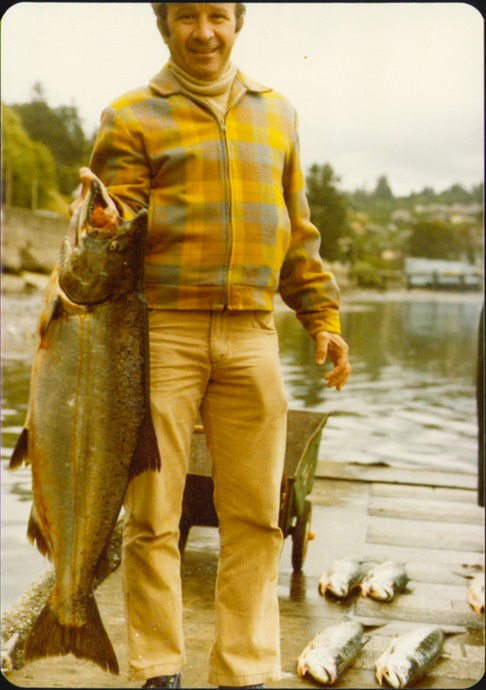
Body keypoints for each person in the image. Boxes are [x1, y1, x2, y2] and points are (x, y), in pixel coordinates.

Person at [73, 4, 351, 688]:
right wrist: (107, 218)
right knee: (153, 511)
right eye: (188, 16)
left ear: (238, 22)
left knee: (257, 514)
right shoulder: (130, 114)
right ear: (165, 26)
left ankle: (245, 668)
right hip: (158, 330)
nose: (205, 31)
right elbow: (123, 215)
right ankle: (159, 665)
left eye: (218, 15)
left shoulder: (277, 112)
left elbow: (296, 226)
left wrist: (322, 317)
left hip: (254, 332)